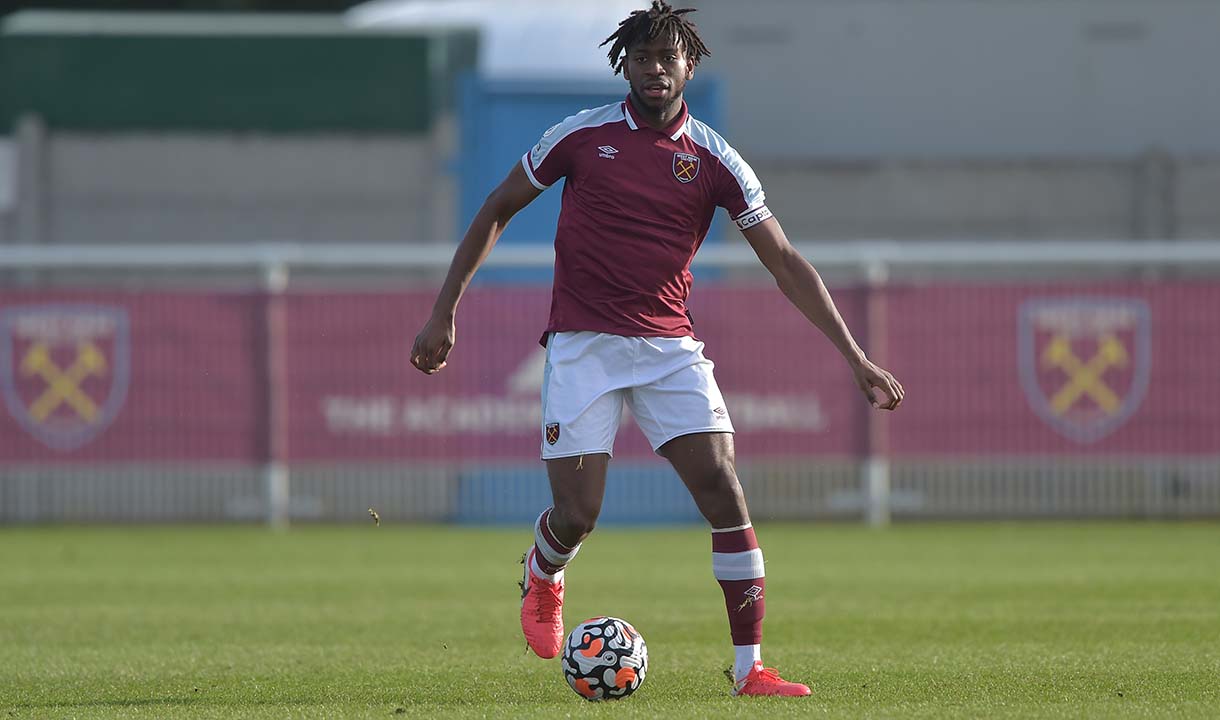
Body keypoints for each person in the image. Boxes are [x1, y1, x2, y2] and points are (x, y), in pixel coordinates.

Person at [411, 0, 904, 698]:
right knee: (578, 514)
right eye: (641, 57)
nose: (653, 69)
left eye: (665, 58)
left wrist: (856, 357)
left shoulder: (714, 158)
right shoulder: (582, 137)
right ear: (626, 64)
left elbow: (787, 261)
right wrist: (445, 310)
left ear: (688, 66)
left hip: (670, 347)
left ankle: (749, 670)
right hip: (584, 345)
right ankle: (544, 572)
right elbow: (496, 207)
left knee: (724, 492)